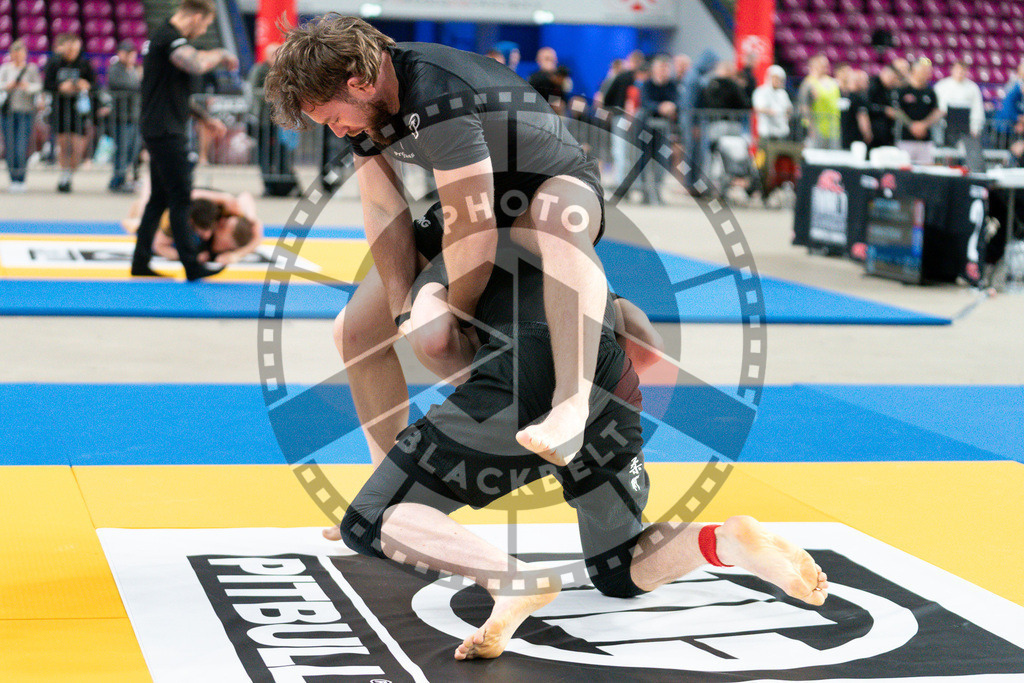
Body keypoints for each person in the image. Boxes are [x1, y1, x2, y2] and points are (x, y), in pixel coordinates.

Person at [325, 230, 829, 662]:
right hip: (609, 382)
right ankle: (722, 541)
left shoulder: (442, 248)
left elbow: (433, 340)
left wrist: (490, 390)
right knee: (619, 568)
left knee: (369, 517)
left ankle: (509, 579)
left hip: (518, 382)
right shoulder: (570, 243)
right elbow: (647, 343)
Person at [265, 15, 616, 467]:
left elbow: (474, 227)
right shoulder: (366, 108)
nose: (336, 131)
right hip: (479, 201)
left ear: (359, 83)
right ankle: (389, 489)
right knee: (355, 332)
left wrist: (458, 309)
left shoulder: (437, 93)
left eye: (333, 118)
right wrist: (401, 309)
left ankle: (572, 404)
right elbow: (382, 210)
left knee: (557, 219)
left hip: (549, 188)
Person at [131, 0, 238, 281]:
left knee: (159, 199)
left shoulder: (166, 39)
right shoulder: (170, 38)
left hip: (161, 128)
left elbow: (173, 94)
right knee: (180, 198)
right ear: (194, 16)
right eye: (204, 25)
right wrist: (221, 52)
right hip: (166, 132)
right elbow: (196, 63)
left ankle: (140, 262)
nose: (203, 31)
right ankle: (192, 266)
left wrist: (204, 118)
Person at [43, 33, 95, 193]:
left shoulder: (84, 63)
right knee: (63, 144)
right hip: (59, 108)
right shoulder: (54, 62)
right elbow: (47, 84)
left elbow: (94, 84)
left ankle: (70, 172)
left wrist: (84, 84)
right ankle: (65, 174)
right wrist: (60, 87)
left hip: (78, 110)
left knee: (78, 147)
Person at [247, 42, 300, 197]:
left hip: (281, 121)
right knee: (264, 154)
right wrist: (275, 94)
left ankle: (287, 185)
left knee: (283, 153)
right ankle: (269, 185)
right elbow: (253, 91)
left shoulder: (285, 71)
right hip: (263, 121)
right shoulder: (259, 70)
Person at [0, 39, 42, 192]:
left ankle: (21, 178)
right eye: (14, 53)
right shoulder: (5, 68)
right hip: (8, 113)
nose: (17, 56)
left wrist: (27, 87)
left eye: (20, 53)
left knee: (21, 146)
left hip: (25, 112)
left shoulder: (31, 69)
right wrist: (7, 86)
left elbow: (38, 86)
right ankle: (13, 179)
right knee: (10, 146)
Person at [639, 54, 678, 205]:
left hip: (664, 128)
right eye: (661, 67)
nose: (664, 70)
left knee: (662, 160)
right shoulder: (647, 85)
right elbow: (645, 102)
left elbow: (677, 101)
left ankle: (658, 191)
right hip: (646, 127)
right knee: (644, 160)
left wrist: (672, 106)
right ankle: (645, 193)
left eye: (666, 67)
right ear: (654, 69)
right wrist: (660, 107)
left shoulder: (672, 85)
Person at [106, 40, 142, 192]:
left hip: (134, 116)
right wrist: (140, 81)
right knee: (122, 149)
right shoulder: (116, 69)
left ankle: (124, 178)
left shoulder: (133, 70)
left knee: (132, 150)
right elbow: (126, 86)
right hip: (121, 117)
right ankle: (118, 180)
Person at [797, 54, 840, 149]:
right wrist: (810, 128)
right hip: (816, 129)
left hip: (833, 129)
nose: (826, 67)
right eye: (822, 64)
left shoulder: (832, 82)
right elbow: (804, 107)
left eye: (827, 64)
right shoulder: (809, 83)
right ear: (815, 65)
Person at [934, 61, 985, 142]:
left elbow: (977, 109)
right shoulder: (941, 86)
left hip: (966, 128)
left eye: (963, 70)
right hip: (944, 127)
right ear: (952, 70)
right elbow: (935, 108)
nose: (960, 73)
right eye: (957, 70)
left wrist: (976, 128)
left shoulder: (973, 88)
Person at [895, 58, 941, 142]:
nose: (927, 73)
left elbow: (936, 111)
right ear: (914, 71)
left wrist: (924, 125)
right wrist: (911, 125)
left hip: (926, 138)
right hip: (905, 138)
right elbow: (897, 110)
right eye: (924, 70)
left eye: (928, 71)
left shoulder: (930, 91)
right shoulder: (902, 89)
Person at [865, 65, 899, 149]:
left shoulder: (892, 90)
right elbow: (867, 106)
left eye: (894, 78)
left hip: (888, 132)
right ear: (883, 74)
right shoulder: (872, 86)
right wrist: (884, 110)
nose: (892, 80)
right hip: (874, 132)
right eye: (890, 77)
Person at [528, 46, 566, 113]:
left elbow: (563, 97)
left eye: (553, 59)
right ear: (538, 60)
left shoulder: (560, 77)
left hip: (557, 109)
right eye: (547, 59)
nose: (550, 62)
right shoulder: (534, 77)